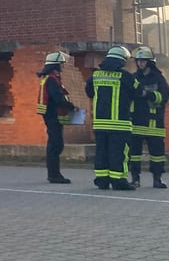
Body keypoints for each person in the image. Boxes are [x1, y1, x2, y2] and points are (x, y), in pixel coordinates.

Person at [85, 45, 138, 191]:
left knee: (101, 152)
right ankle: (119, 181)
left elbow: (89, 93)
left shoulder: (95, 76)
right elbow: (138, 92)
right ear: (122, 61)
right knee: (119, 153)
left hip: (100, 124)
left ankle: (102, 180)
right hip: (120, 124)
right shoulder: (126, 76)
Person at [129, 46, 169, 189]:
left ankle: (157, 179)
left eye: (143, 61)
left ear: (150, 62)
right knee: (134, 154)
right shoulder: (134, 78)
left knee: (157, 154)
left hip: (154, 123)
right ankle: (135, 179)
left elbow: (164, 96)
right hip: (137, 122)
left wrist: (148, 94)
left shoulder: (158, 79)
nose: (140, 63)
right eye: (138, 60)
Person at [36, 51, 76, 184]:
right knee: (56, 145)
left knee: (54, 144)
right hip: (53, 115)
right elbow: (58, 98)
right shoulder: (52, 80)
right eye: (61, 64)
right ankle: (54, 175)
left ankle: (54, 174)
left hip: (51, 115)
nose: (62, 67)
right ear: (55, 65)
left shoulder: (49, 78)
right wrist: (71, 107)